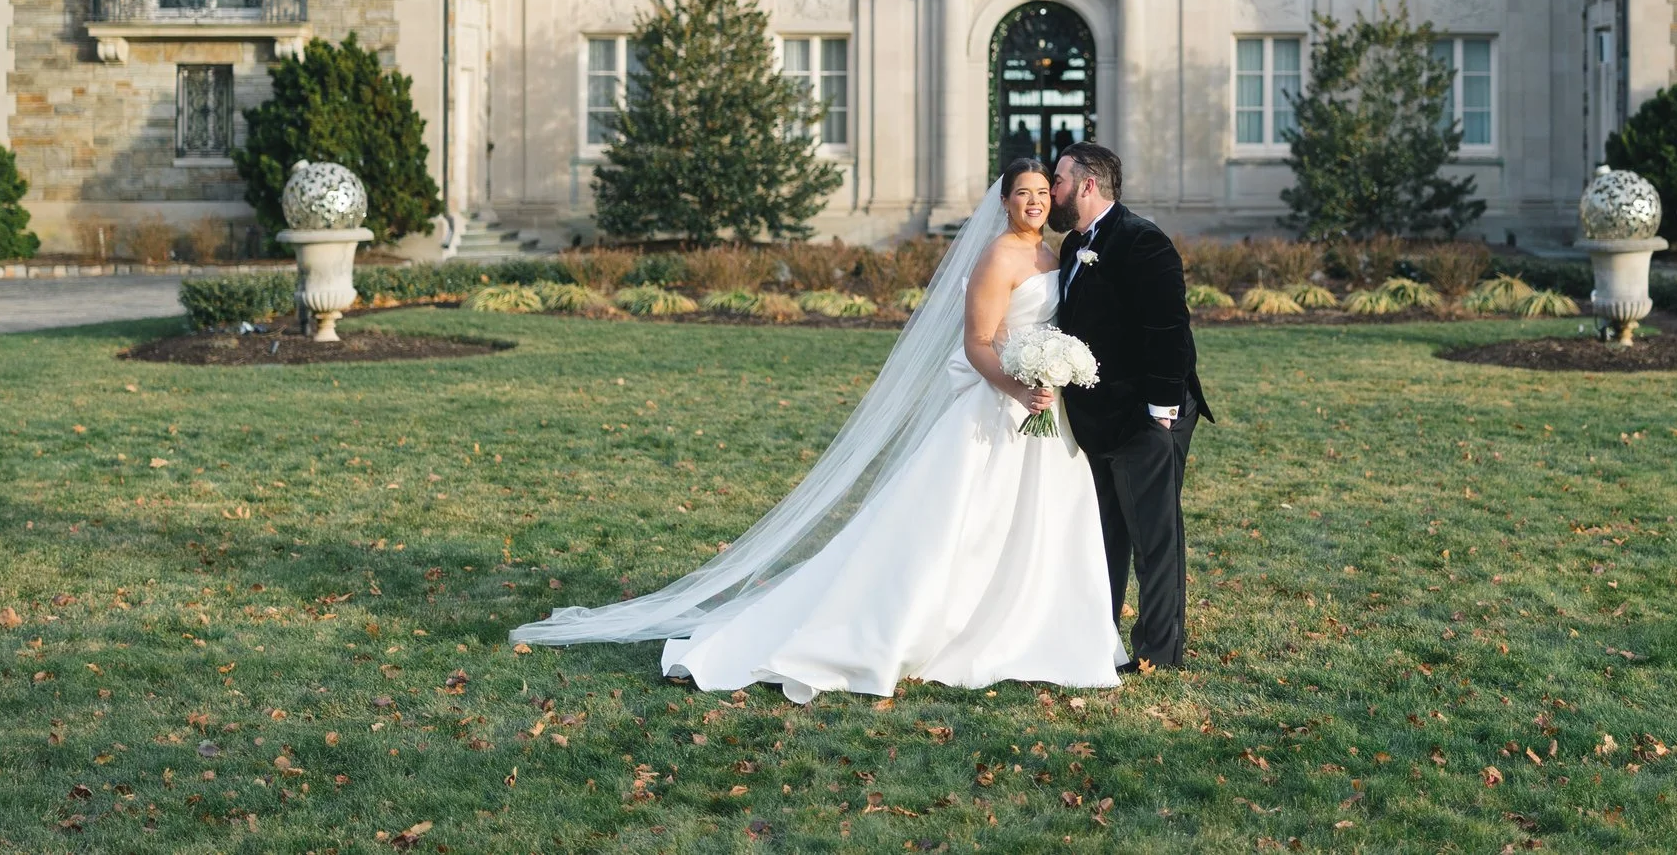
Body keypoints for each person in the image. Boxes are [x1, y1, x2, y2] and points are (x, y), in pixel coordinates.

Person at [508, 160, 1122, 703]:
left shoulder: (1056, 253)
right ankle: (933, 630)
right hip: (998, 409)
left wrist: (1055, 373)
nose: (1035, 201)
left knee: (1042, 526)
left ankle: (1034, 628)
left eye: (1043, 191)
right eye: (1022, 192)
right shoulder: (997, 257)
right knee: (963, 528)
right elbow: (978, 342)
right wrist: (1018, 387)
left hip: (1047, 414)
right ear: (1005, 200)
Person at [1049, 141, 1212, 673]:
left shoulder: (1142, 241)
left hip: (1148, 416)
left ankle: (1159, 652)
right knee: (1106, 535)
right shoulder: (1074, 247)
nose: (1053, 191)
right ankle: (1101, 638)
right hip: (1097, 419)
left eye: (1059, 180)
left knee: (1154, 537)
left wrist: (1161, 412)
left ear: (1088, 185)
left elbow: (1169, 330)